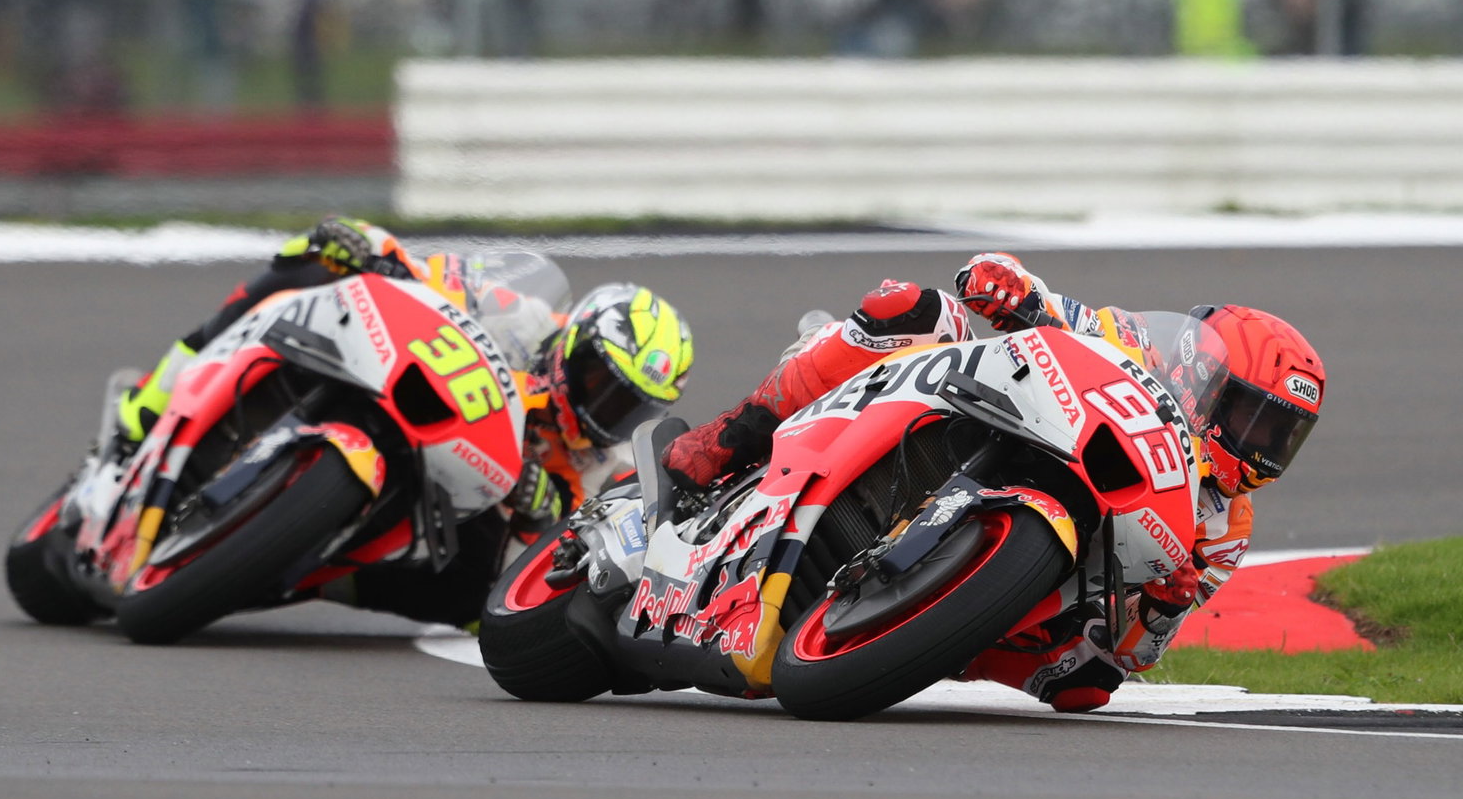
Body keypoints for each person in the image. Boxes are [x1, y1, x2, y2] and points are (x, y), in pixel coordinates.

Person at [661, 252, 1325, 714]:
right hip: (1011, 421)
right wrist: (1009, 288)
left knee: (1086, 685)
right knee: (914, 309)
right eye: (1250, 418)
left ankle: (918, 626)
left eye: (1280, 438)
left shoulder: (1225, 529)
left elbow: (1134, 655)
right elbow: (1044, 301)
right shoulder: (1132, 340)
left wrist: (1164, 609)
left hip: (1059, 576)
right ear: (1200, 371)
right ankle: (731, 435)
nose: (1260, 448)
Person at [116, 215, 694, 630]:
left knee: (472, 599)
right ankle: (163, 384)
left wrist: (542, 504)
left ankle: (311, 572)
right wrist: (376, 251)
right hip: (391, 377)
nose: (604, 409)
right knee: (313, 263)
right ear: (576, 342)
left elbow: (564, 537)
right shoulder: (524, 315)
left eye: (629, 407)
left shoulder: (596, 461)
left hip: (449, 485)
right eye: (600, 381)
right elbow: (434, 274)